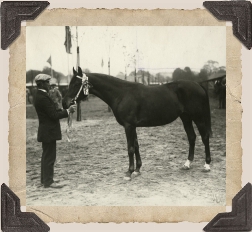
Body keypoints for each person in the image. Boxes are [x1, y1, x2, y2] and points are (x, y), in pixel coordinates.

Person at [34, 74, 76, 188]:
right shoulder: (43, 97)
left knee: (46, 156)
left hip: (46, 131)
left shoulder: (40, 95)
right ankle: (48, 182)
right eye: (47, 82)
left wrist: (65, 109)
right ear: (42, 84)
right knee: (50, 157)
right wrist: (68, 111)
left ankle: (45, 180)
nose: (49, 84)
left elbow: (52, 111)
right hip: (49, 131)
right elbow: (53, 115)